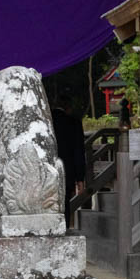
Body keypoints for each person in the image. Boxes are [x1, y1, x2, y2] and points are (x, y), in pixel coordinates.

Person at [51, 97, 86, 226]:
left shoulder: (45, 122)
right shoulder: (74, 123)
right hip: (67, 171)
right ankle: (62, 229)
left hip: (46, 171)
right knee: (64, 203)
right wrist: (80, 178)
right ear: (68, 108)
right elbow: (78, 151)